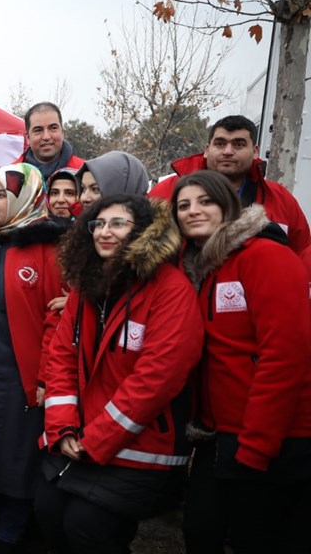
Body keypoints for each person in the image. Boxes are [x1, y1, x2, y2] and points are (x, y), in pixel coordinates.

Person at [36, 194, 202, 553]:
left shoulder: (171, 290)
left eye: (118, 224)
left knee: (86, 526)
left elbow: (155, 381)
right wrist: (62, 427)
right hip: (80, 437)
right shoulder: (88, 286)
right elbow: (62, 357)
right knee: (46, 509)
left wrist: (95, 440)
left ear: (142, 231)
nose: (104, 233)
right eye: (98, 224)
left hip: (141, 447)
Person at [171, 170, 311, 553]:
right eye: (183, 205)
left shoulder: (265, 256)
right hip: (217, 435)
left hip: (275, 439)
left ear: (229, 207)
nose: (193, 211)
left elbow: (285, 355)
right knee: (200, 533)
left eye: (205, 201)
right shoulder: (199, 268)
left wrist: (256, 447)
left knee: (255, 540)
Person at [0, 163, 66, 550]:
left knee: (18, 454)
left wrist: (44, 379)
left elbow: (57, 318)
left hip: (23, 375)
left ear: (24, 198)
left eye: (1, 194)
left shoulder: (47, 249)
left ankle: (10, 530)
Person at [150, 115, 310, 253]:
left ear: (255, 151)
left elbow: (303, 253)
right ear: (207, 149)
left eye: (238, 144)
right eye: (220, 144)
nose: (227, 151)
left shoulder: (280, 198)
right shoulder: (167, 191)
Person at [13, 102, 85, 178]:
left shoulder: (83, 172)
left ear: (62, 132)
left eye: (53, 128)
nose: (46, 137)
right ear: (28, 138)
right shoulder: (12, 175)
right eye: (38, 130)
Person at [75, 151, 149, 210]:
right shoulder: (79, 226)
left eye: (96, 189)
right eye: (83, 189)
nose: (84, 198)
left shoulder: (151, 228)